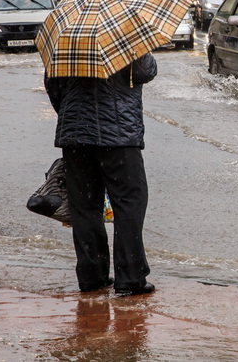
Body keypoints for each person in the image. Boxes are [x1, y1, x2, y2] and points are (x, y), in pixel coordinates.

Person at [44, 54, 158, 296]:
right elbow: (144, 72)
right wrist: (145, 51)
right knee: (129, 203)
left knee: (84, 206)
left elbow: (53, 86)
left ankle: (92, 276)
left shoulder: (70, 40)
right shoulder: (125, 36)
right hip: (118, 136)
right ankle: (130, 276)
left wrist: (72, 115)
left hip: (75, 135)